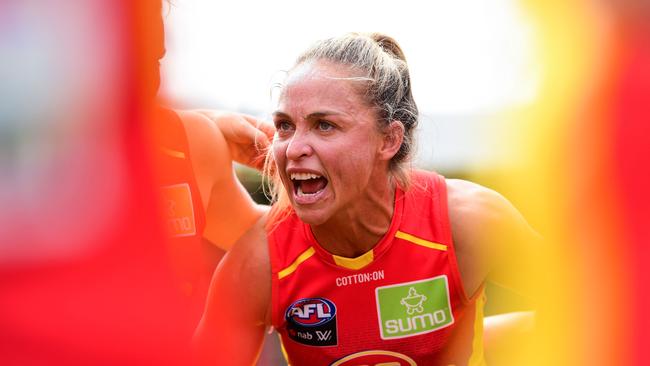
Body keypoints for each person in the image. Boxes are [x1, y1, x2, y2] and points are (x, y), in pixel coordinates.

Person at [194, 32, 539, 365]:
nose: (293, 148)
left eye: (324, 125)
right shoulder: (260, 260)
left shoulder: (467, 220)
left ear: (388, 140)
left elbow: (585, 311)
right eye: (285, 125)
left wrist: (492, 342)